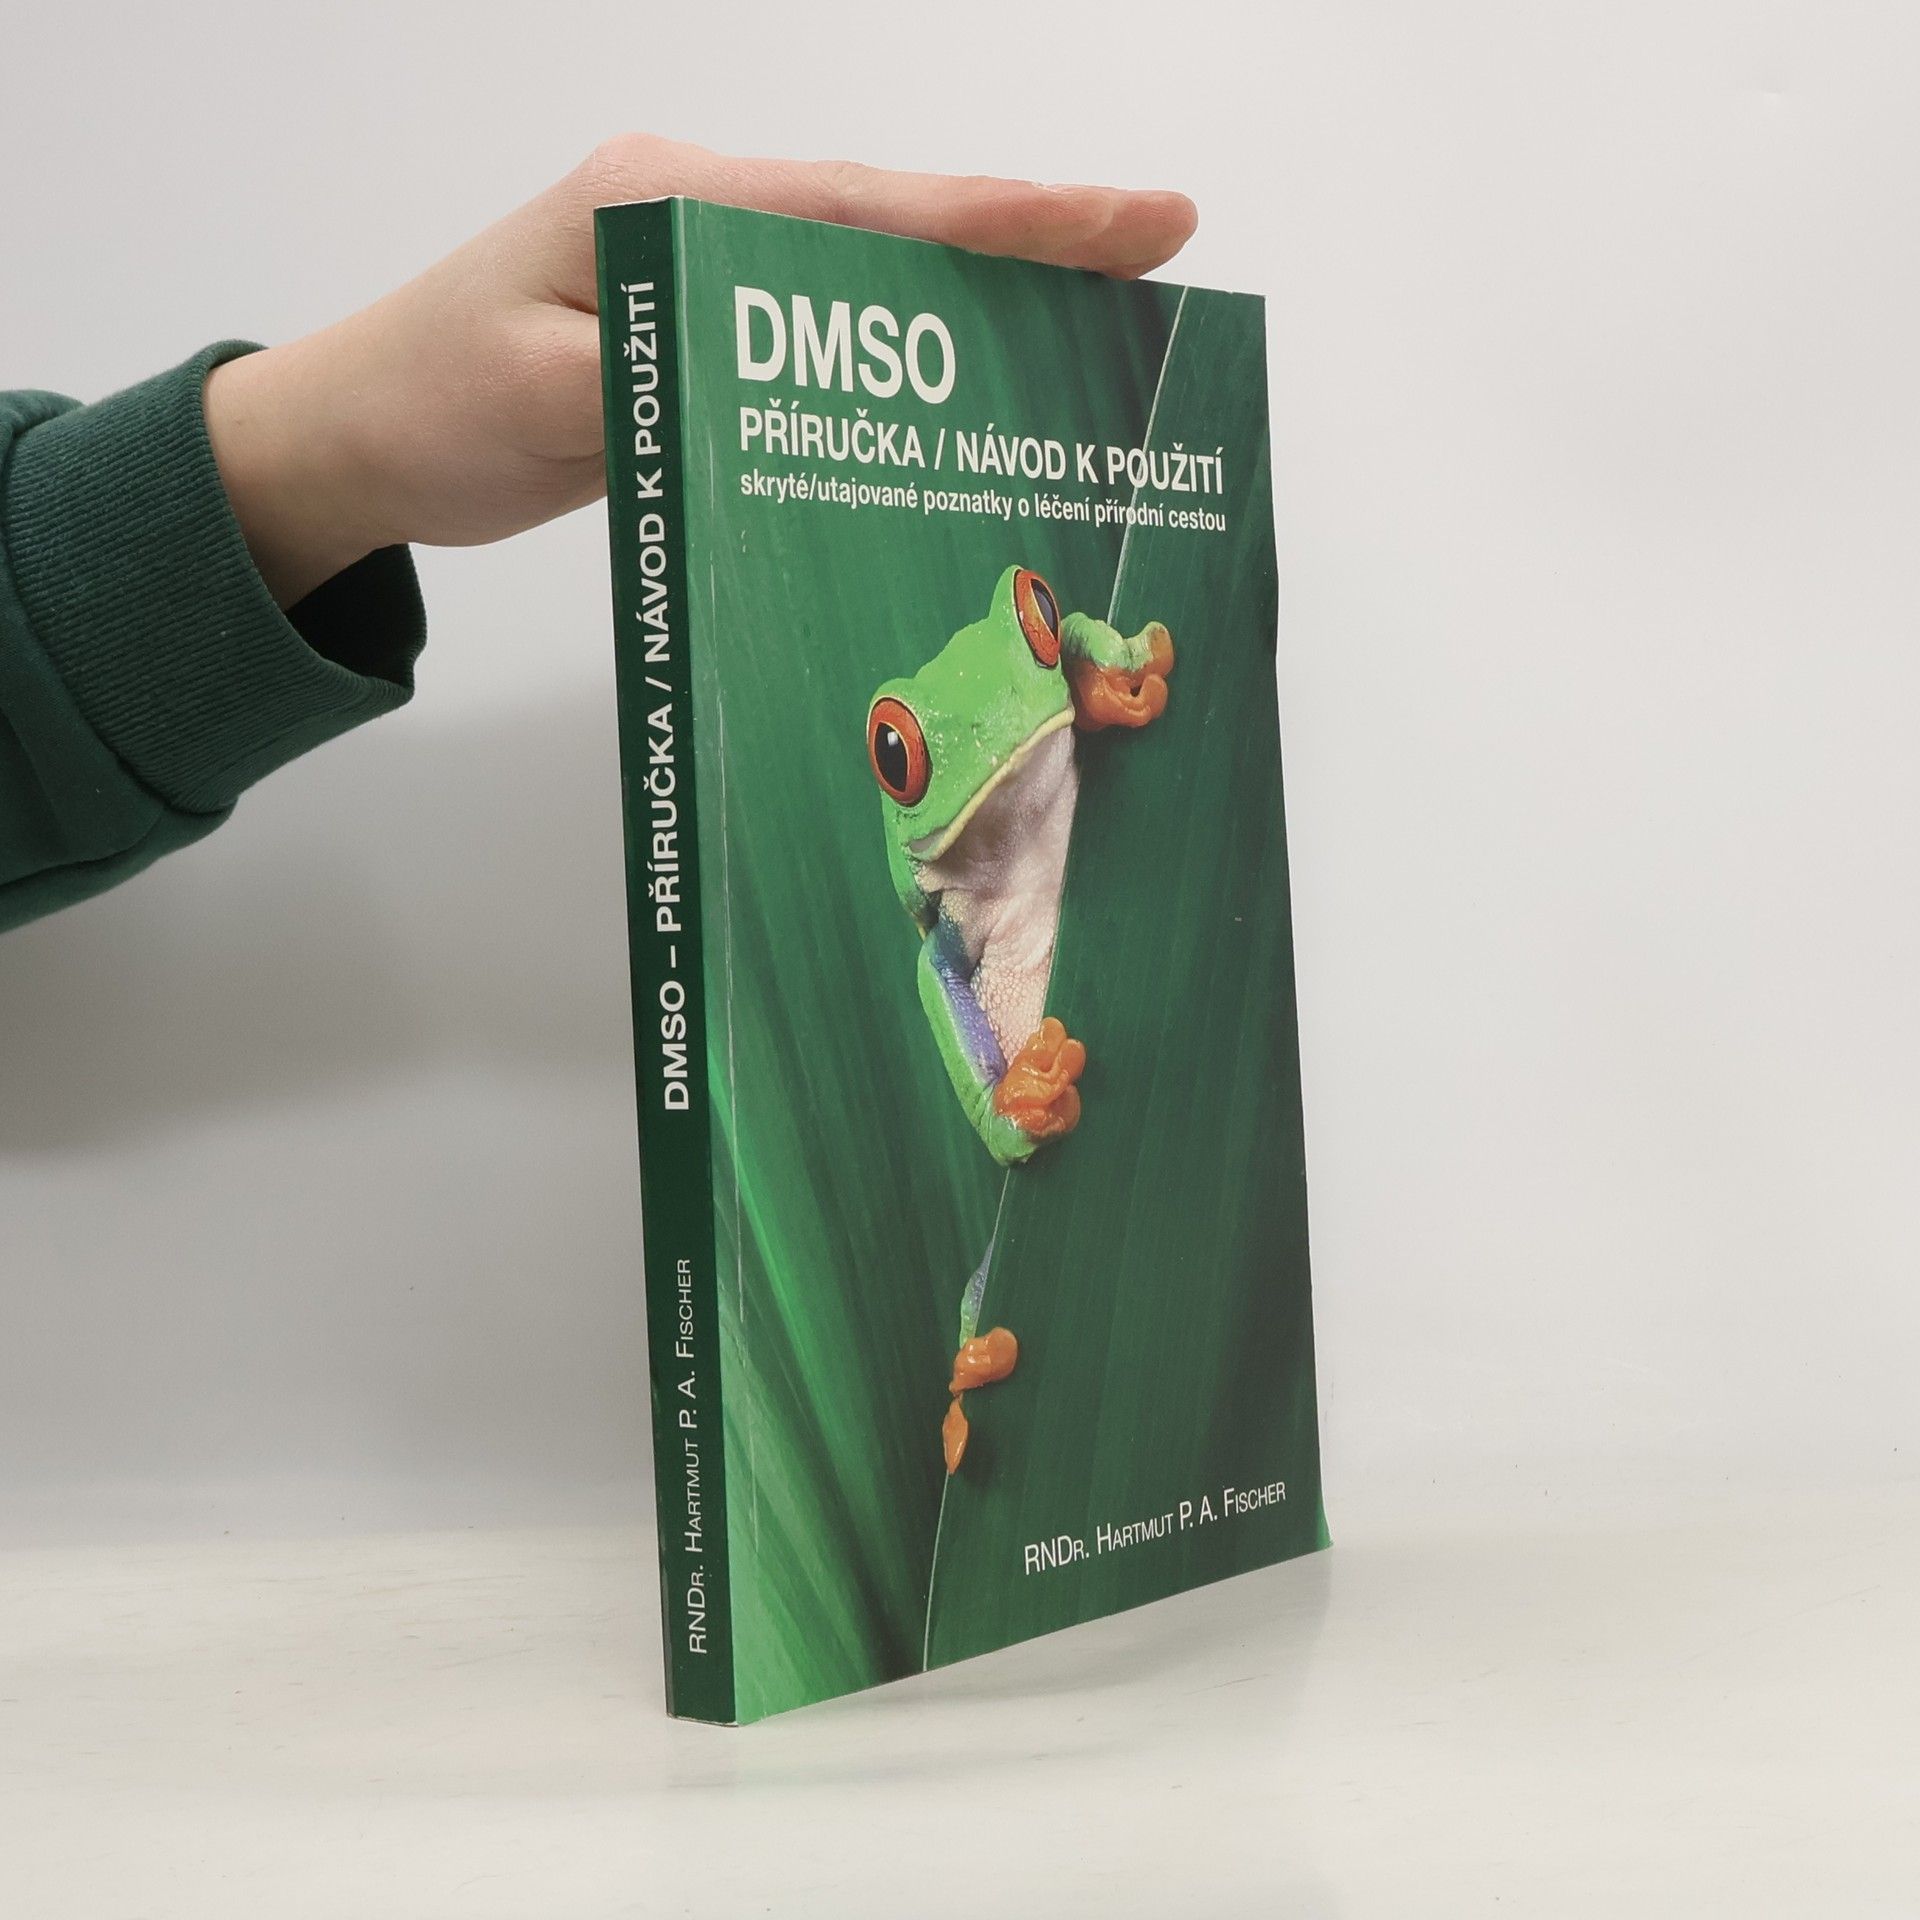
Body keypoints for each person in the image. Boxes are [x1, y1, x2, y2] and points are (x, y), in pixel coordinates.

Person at [0, 137, 1196, 935]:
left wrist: (1093, 657)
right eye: (893, 747)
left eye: (1040, 624)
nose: (1044, 647)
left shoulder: (1050, 659)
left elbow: (1070, 639)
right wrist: (326, 444)